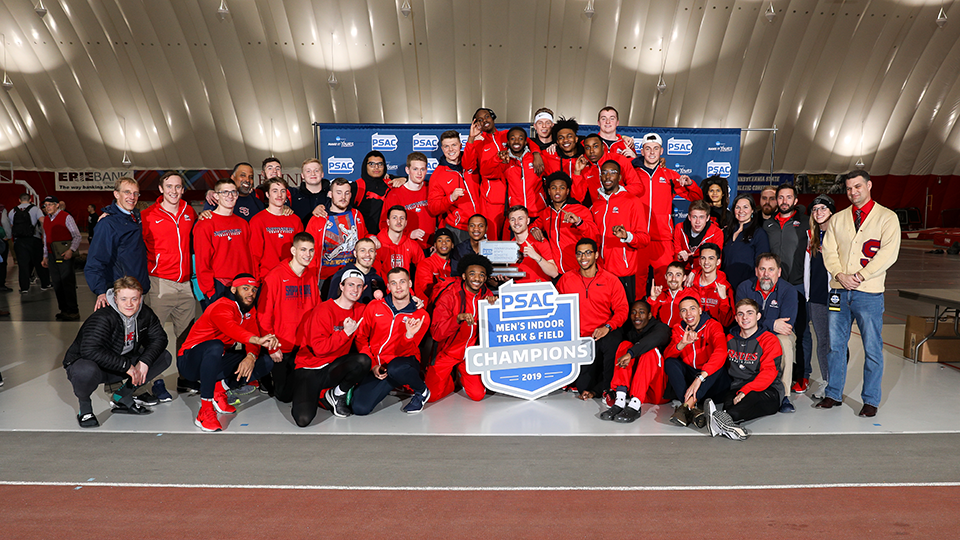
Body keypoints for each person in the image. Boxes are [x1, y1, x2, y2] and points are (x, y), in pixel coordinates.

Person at [816, 170, 901, 417]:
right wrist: (839, 275)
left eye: (857, 187)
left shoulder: (887, 217)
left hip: (869, 293)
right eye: (849, 188)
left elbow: (888, 253)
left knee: (872, 347)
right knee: (836, 346)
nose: (853, 192)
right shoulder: (839, 219)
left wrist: (861, 276)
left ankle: (871, 399)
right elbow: (828, 250)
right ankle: (833, 393)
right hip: (839, 291)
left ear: (869, 185)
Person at [63, 276, 171, 428]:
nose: (129, 304)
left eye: (134, 298)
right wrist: (127, 366)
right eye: (124, 299)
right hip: (92, 365)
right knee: (85, 371)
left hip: (119, 362)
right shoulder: (103, 317)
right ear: (115, 298)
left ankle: (122, 396)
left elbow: (160, 338)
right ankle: (85, 408)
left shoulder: (145, 313)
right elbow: (89, 350)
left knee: (163, 357)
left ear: (140, 298)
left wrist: (144, 362)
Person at [178, 274, 279, 432]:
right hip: (190, 362)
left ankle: (219, 390)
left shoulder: (249, 312)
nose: (250, 293)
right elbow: (232, 329)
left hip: (215, 361)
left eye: (253, 289)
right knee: (216, 346)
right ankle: (205, 410)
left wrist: (250, 356)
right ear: (233, 289)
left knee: (265, 362)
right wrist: (257, 340)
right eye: (245, 288)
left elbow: (251, 338)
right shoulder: (222, 306)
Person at [291, 270, 372, 425]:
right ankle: (318, 394)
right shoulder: (323, 310)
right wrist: (345, 333)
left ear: (364, 288)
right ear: (341, 286)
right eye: (350, 285)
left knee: (363, 361)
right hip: (310, 369)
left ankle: (337, 394)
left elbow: (383, 308)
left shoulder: (361, 310)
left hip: (334, 369)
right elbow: (319, 350)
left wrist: (413, 300)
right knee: (303, 420)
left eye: (359, 286)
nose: (355, 289)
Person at [352, 268, 431, 415]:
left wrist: (408, 335)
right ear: (388, 286)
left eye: (402, 282)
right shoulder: (375, 306)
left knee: (396, 369)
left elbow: (408, 349)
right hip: (379, 365)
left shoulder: (421, 315)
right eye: (394, 283)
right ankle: (393, 385)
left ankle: (422, 391)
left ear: (410, 283)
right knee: (359, 408)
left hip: (404, 362)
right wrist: (374, 365)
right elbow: (361, 337)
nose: (399, 287)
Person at [556, 239, 628, 399]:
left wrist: (608, 327)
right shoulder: (566, 279)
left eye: (588, 252)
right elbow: (556, 309)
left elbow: (622, 310)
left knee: (613, 342)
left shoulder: (611, 280)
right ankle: (592, 389)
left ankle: (609, 389)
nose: (583, 257)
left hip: (602, 332)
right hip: (579, 338)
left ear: (596, 254)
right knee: (583, 386)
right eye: (580, 253)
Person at [704, 298, 784, 441]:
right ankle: (729, 425)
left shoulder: (769, 340)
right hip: (737, 386)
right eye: (740, 314)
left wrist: (746, 390)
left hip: (767, 389)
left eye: (749, 313)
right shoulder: (729, 338)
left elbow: (769, 373)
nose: (745, 317)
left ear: (758, 316)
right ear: (735, 318)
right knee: (730, 403)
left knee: (751, 398)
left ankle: (723, 419)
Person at [631, 132, 703, 284]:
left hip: (662, 238)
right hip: (638, 237)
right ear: (642, 151)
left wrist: (690, 184)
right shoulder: (632, 175)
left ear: (661, 151)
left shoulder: (669, 175)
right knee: (637, 281)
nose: (652, 152)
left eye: (655, 148)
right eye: (648, 148)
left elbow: (696, 198)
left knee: (665, 281)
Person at [257, 232, 319, 403]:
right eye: (303, 250)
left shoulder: (311, 276)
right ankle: (264, 374)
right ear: (293, 250)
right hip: (282, 347)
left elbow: (317, 310)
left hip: (304, 345)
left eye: (311, 250)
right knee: (284, 396)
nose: (308, 255)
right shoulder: (275, 276)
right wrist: (271, 347)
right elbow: (264, 315)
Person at [425, 253, 496, 402]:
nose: (477, 278)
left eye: (481, 275)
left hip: (470, 354)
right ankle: (451, 380)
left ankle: (458, 376)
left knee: (478, 395)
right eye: (472, 274)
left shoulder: (486, 295)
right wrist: (457, 319)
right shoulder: (449, 295)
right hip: (448, 352)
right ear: (464, 276)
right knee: (431, 396)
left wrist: (494, 307)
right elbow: (437, 333)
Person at [763, 183, 811, 396]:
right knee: (773, 330)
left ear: (795, 200)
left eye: (788, 197)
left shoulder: (806, 223)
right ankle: (773, 373)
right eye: (780, 198)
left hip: (799, 284)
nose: (783, 201)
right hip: (775, 286)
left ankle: (803, 375)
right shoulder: (769, 225)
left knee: (801, 332)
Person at [735, 253, 798, 414]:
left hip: (777, 335)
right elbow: (742, 319)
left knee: (785, 342)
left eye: (771, 269)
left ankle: (784, 395)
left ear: (779, 272)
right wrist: (772, 323)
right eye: (762, 269)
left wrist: (765, 324)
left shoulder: (788, 291)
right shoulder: (744, 287)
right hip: (749, 332)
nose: (766, 274)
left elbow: (786, 325)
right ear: (756, 271)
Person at [601, 299, 671, 422]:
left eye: (641, 312)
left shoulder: (661, 328)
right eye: (633, 312)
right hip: (633, 388)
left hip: (656, 391)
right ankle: (620, 400)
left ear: (649, 315)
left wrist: (631, 353)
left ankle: (635, 405)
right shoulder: (630, 331)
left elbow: (653, 339)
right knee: (624, 345)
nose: (637, 316)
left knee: (649, 351)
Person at [663, 296, 728, 429]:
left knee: (717, 365)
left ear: (699, 310)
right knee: (671, 362)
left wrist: (700, 377)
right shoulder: (678, 329)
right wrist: (682, 343)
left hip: (712, 383)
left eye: (692, 309)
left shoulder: (713, 325)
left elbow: (721, 351)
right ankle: (693, 409)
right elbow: (667, 356)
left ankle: (686, 406)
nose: (688, 314)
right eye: (684, 311)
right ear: (680, 314)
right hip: (690, 382)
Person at [591, 160, 650, 307]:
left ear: (620, 176)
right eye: (604, 173)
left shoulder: (632, 201)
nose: (608, 176)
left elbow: (644, 238)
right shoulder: (596, 205)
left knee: (625, 318)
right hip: (600, 272)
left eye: (612, 172)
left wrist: (626, 236)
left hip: (623, 272)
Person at [85, 178, 150, 309]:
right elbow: (96, 260)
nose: (132, 197)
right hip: (121, 294)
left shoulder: (136, 218)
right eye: (127, 192)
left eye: (135, 193)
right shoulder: (108, 224)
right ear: (116, 194)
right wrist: (100, 291)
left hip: (138, 290)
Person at [193, 179, 254, 309]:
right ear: (216, 196)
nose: (230, 196)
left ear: (237, 195)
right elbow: (202, 261)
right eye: (225, 192)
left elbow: (250, 256)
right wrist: (209, 290)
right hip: (218, 285)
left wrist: (250, 284)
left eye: (233, 192)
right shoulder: (204, 224)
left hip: (241, 285)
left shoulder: (243, 224)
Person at [803, 194, 835, 398]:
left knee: (836, 342)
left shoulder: (840, 234)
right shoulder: (811, 236)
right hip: (815, 297)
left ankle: (835, 382)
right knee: (822, 340)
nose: (819, 212)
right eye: (815, 209)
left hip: (836, 296)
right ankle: (827, 380)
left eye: (823, 208)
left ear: (831, 211)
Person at [535, 171, 598, 274]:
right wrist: (534, 229)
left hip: (578, 269)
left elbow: (594, 236)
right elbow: (534, 225)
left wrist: (579, 222)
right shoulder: (546, 212)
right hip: (557, 271)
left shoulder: (580, 210)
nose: (558, 191)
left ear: (568, 191)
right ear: (549, 191)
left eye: (562, 188)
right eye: (554, 188)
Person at [305, 177, 368, 280]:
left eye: (347, 193)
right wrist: (312, 279)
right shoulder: (318, 219)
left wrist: (373, 238)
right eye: (339, 193)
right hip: (324, 278)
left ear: (351, 195)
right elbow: (308, 251)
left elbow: (364, 238)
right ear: (330, 194)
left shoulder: (357, 215)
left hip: (353, 275)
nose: (343, 197)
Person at [427, 130, 481, 245]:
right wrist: (450, 198)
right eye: (446, 146)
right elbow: (433, 208)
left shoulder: (473, 162)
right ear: (442, 149)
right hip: (459, 228)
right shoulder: (438, 175)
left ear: (460, 146)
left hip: (482, 225)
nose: (451, 150)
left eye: (454, 145)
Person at [249, 177, 305, 279]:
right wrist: (256, 280)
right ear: (267, 194)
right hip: (267, 277)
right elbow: (254, 255)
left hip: (292, 276)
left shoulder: (295, 220)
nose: (279, 195)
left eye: (282, 191)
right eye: (275, 191)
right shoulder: (258, 220)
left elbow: (301, 251)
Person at [380, 152, 434, 249]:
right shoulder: (394, 194)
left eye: (422, 169)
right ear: (407, 170)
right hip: (405, 248)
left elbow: (441, 216)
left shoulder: (432, 190)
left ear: (426, 170)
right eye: (415, 169)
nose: (419, 173)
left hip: (430, 248)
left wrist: (439, 240)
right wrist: (408, 234)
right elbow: (384, 224)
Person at [40, 196, 81, 321]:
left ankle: (73, 311)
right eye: (46, 205)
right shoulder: (46, 219)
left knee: (67, 283)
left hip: (64, 254)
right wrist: (45, 256)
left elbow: (77, 235)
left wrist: (71, 250)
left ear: (57, 205)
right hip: (52, 255)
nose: (48, 207)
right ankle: (64, 310)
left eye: (50, 204)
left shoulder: (66, 217)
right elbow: (46, 239)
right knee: (57, 283)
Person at [722, 194, 770, 291]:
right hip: (725, 285)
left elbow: (762, 263)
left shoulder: (759, 233)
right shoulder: (726, 231)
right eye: (738, 207)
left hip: (747, 286)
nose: (741, 211)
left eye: (745, 207)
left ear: (752, 210)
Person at [499, 127, 548, 222]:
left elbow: (552, 177)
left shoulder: (537, 159)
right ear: (508, 142)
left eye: (520, 138)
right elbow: (488, 173)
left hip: (538, 212)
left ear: (526, 142)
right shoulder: (504, 161)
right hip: (516, 214)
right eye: (513, 139)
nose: (516, 141)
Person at [9, 193, 51, 294]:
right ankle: (45, 284)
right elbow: (42, 221)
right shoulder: (35, 209)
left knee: (23, 265)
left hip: (19, 240)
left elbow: (11, 226)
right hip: (34, 239)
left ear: (19, 200)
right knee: (39, 262)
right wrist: (44, 237)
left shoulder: (12, 211)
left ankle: (24, 287)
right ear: (30, 199)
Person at [506, 205, 558, 283]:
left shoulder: (539, 240)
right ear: (509, 222)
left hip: (540, 288)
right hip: (518, 290)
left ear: (528, 221)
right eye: (513, 219)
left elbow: (554, 273)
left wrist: (536, 256)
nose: (516, 222)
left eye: (520, 219)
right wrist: (506, 276)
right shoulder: (509, 246)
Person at [326, 237, 386, 303]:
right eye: (362, 250)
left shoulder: (378, 279)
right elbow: (331, 305)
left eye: (371, 250)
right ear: (355, 254)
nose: (367, 254)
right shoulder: (341, 276)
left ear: (375, 254)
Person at [689, 243, 734, 328]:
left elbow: (726, 322)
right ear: (699, 261)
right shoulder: (690, 284)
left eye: (711, 258)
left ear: (718, 262)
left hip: (715, 333)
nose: (706, 262)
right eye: (703, 258)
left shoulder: (726, 287)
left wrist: (724, 299)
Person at [674, 199, 724, 275]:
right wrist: (679, 257)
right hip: (682, 272)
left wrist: (695, 272)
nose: (697, 222)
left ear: (707, 218)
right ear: (689, 217)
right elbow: (674, 256)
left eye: (701, 217)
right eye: (694, 217)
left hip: (704, 274)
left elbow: (716, 262)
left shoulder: (716, 233)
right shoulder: (679, 228)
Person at [374, 205, 425, 278]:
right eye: (394, 218)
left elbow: (424, 267)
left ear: (406, 223)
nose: (399, 221)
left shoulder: (411, 244)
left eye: (402, 218)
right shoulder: (378, 244)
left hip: (405, 287)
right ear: (388, 222)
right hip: (383, 287)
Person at [353, 151, 393, 235]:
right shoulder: (357, 186)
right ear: (365, 166)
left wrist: (404, 179)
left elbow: (414, 181)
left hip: (387, 238)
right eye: (371, 164)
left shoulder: (391, 182)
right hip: (364, 238)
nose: (376, 167)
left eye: (380, 164)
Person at [415, 228, 455, 307]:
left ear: (452, 245)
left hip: (449, 307)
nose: (443, 243)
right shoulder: (425, 264)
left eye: (447, 240)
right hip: (428, 308)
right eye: (440, 240)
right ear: (435, 245)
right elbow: (428, 289)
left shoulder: (454, 264)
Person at [648, 262, 692, 328]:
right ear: (666, 277)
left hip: (680, 334)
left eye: (678, 275)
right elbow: (648, 318)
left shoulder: (691, 295)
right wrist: (653, 298)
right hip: (660, 333)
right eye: (670, 274)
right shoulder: (659, 294)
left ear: (684, 278)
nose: (673, 279)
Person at [290, 158, 331, 227]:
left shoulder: (333, 195)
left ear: (322, 174)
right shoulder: (294, 196)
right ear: (302, 175)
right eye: (308, 171)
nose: (313, 174)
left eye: (316, 170)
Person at [0, 203, 10, 292]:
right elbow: (4, 222)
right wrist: (6, 236)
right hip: (1, 241)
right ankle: (1, 284)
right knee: (2, 263)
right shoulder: (2, 209)